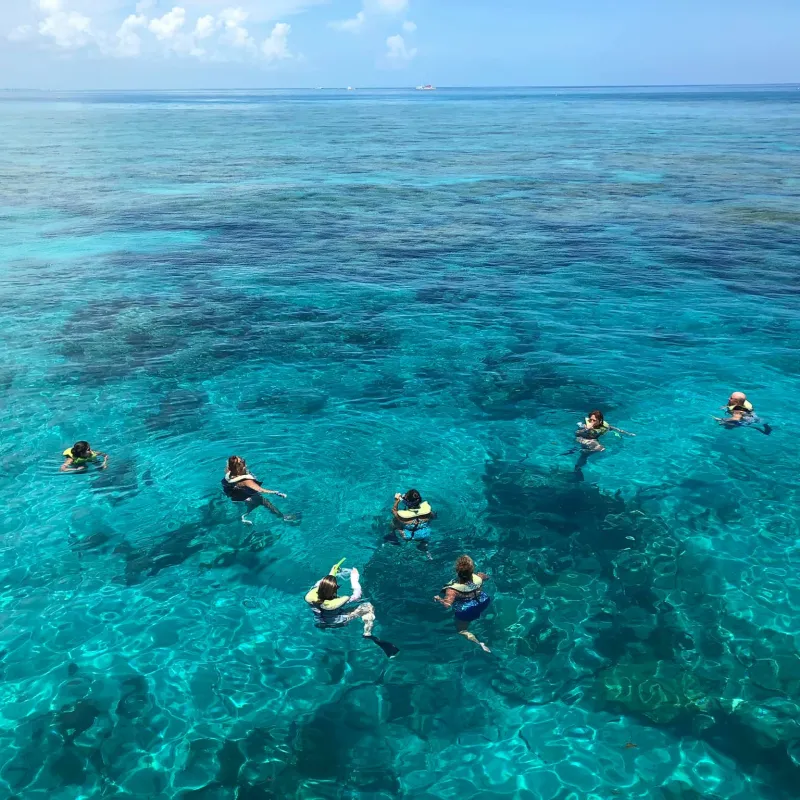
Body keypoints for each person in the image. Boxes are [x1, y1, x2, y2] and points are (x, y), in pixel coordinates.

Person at [305, 561, 399, 658]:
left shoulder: (310, 596)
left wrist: (332, 573)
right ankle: (367, 633)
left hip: (320, 623)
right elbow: (357, 595)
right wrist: (355, 579)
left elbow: (319, 584)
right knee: (368, 606)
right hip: (339, 622)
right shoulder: (338, 601)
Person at [434, 555, 492, 652]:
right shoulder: (479, 577)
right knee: (477, 612)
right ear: (472, 570)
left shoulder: (452, 590)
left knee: (461, 630)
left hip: (466, 610)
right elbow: (487, 577)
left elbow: (447, 605)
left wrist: (439, 598)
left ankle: (479, 643)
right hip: (483, 601)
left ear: (457, 571)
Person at [221, 455, 293, 525]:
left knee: (249, 507)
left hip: (237, 498)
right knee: (265, 502)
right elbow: (261, 490)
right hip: (251, 497)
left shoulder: (228, 472)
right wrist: (276, 492)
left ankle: (243, 517)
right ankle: (283, 517)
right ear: (242, 467)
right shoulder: (246, 481)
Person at [391, 488, 434, 559]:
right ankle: (425, 548)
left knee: (394, 521)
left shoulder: (403, 518)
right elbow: (433, 517)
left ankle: (392, 536)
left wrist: (397, 500)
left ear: (407, 502)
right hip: (425, 534)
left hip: (407, 536)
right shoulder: (428, 513)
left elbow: (394, 511)